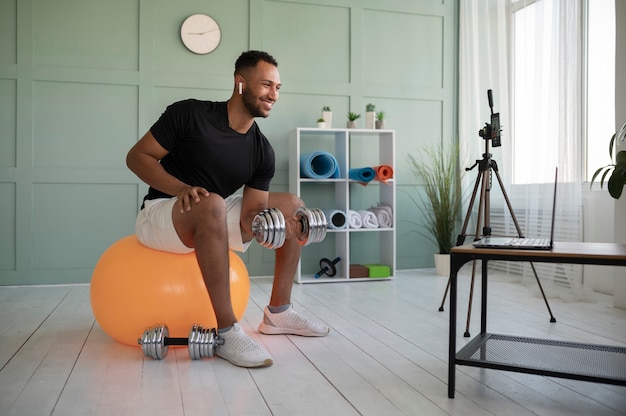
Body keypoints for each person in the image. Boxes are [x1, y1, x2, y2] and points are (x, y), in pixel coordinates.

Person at [126, 50, 329, 368]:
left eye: (277, 88)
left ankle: (278, 313)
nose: (273, 95)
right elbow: (137, 157)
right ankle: (226, 331)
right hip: (161, 213)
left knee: (292, 205)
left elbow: (251, 216)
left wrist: (277, 227)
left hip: (212, 214)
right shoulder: (189, 114)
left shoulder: (262, 150)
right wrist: (181, 189)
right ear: (240, 83)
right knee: (212, 203)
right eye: (266, 85)